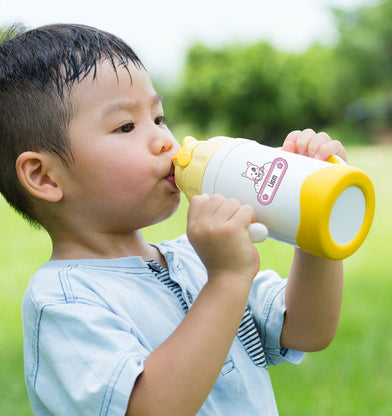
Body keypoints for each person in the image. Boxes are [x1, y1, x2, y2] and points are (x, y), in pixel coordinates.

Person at [0, 24, 345, 416]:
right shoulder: (63, 300)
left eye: (159, 118)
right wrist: (227, 281)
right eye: (126, 126)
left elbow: (307, 330)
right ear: (44, 176)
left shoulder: (196, 259)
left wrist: (313, 217)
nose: (165, 140)